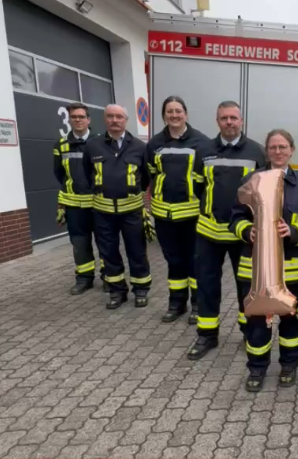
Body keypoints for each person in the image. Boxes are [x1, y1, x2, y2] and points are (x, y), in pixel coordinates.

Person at [228, 129, 298, 392]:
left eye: (283, 147)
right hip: (255, 270)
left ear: (292, 150)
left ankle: (289, 365)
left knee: (292, 323)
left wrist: (292, 231)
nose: (278, 152)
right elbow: (234, 218)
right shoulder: (251, 181)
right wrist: (247, 231)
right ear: (266, 151)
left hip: (293, 270)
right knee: (257, 324)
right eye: (273, 147)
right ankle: (257, 368)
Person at [188, 100, 266, 360]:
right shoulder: (204, 150)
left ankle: (248, 332)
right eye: (224, 118)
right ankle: (207, 335)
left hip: (242, 234)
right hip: (209, 232)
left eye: (233, 117)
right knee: (207, 285)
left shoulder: (256, 151)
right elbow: (198, 186)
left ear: (241, 120)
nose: (229, 122)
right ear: (217, 121)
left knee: (246, 285)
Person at [145, 96, 210, 324]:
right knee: (173, 261)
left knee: (194, 261)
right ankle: (176, 303)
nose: (174, 115)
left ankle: (197, 305)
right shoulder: (155, 144)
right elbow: (151, 173)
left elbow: (207, 180)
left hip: (192, 215)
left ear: (186, 114)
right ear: (164, 115)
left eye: (178, 111)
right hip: (164, 216)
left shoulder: (201, 142)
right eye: (169, 111)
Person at [82, 104, 152, 309]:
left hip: (131, 211)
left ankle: (141, 290)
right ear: (105, 119)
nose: (114, 120)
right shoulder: (92, 146)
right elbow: (88, 174)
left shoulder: (139, 146)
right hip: (103, 212)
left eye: (119, 117)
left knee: (137, 252)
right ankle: (117, 291)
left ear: (126, 121)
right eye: (110, 116)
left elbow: (146, 177)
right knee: (109, 253)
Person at [53, 102, 106, 295]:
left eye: (81, 116)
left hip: (99, 204)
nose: (78, 120)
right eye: (74, 117)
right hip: (75, 205)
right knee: (80, 244)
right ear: (69, 120)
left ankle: (109, 278)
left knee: (105, 242)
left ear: (88, 120)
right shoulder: (61, 145)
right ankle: (84, 279)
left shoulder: (100, 142)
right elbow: (59, 173)